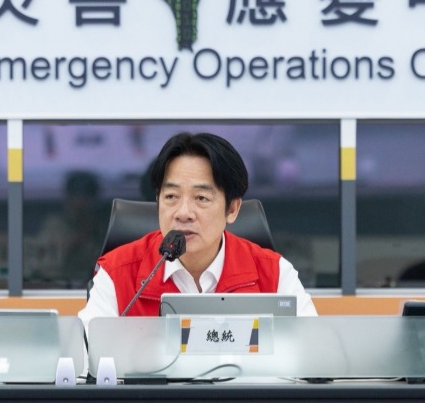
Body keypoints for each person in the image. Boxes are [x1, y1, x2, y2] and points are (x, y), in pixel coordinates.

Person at [79, 132, 317, 323]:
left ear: (232, 209)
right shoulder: (117, 273)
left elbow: (313, 355)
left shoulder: (275, 274)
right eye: (171, 197)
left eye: (201, 198)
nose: (183, 213)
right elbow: (89, 356)